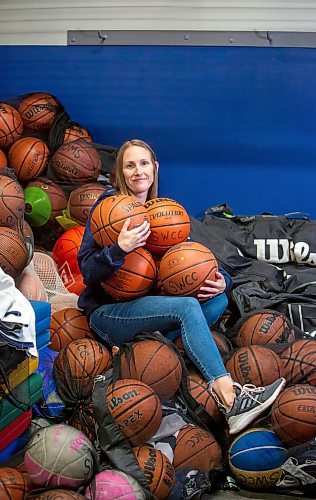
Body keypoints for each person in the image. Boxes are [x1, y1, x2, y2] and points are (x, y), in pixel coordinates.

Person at [78, 139, 285, 435]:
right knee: (187, 307)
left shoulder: (164, 214)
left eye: (144, 163)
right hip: (109, 314)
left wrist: (219, 282)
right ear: (120, 173)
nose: (138, 171)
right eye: (130, 165)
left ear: (155, 168)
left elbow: (194, 261)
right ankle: (231, 400)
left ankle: (150, 348)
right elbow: (87, 272)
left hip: (147, 313)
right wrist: (118, 249)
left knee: (217, 302)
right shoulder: (108, 208)